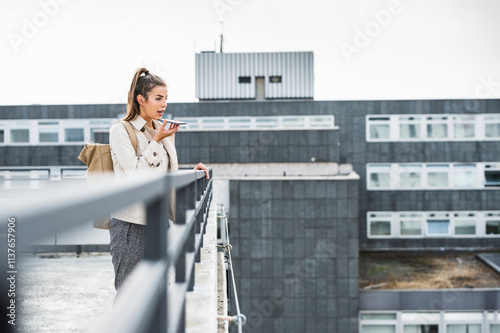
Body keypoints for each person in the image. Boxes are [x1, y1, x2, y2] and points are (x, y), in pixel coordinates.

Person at [108, 67, 208, 292]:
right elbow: (135, 174)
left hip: (160, 222)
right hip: (130, 225)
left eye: (166, 99)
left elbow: (163, 175)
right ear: (141, 99)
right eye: (158, 98)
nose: (164, 105)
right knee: (130, 294)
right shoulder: (121, 131)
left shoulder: (160, 130)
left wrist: (189, 172)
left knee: (157, 293)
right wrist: (157, 141)